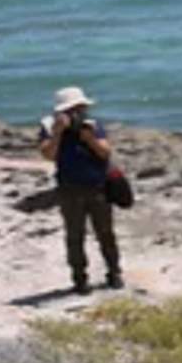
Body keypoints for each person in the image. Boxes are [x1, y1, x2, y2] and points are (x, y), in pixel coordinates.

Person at [41, 87, 123, 295]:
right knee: (75, 236)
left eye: (80, 109)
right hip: (69, 188)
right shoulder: (49, 127)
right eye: (73, 110)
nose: (78, 113)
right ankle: (80, 278)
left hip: (97, 187)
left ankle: (114, 272)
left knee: (106, 233)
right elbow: (49, 155)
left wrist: (90, 138)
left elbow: (105, 153)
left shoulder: (92, 126)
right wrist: (58, 133)